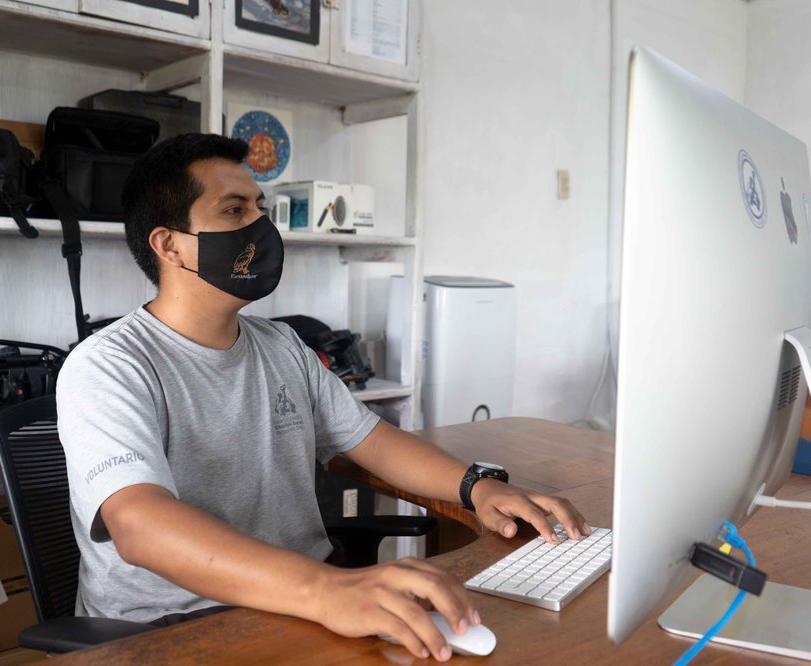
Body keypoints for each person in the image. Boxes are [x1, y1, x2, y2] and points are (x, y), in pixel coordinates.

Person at [56, 133, 591, 662]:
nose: (260, 227)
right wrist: (326, 590)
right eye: (234, 210)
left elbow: (374, 443)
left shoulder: (280, 344)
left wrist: (476, 487)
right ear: (168, 244)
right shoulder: (109, 367)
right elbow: (140, 525)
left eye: (259, 208)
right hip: (177, 631)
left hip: (299, 606)